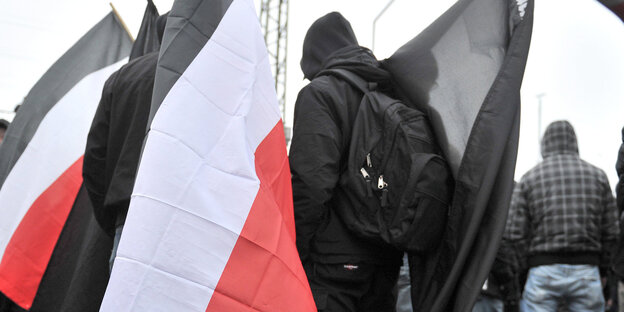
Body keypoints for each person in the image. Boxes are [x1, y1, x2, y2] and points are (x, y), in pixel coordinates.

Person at [289, 12, 403, 311]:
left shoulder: (322, 93)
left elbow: (311, 181)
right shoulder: (389, 94)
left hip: (332, 264)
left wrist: (294, 252)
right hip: (385, 259)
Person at [506, 120, 619, 312]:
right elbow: (611, 232)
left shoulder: (530, 178)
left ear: (544, 144)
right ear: (574, 142)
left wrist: (526, 268)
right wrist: (602, 268)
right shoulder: (598, 176)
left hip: (542, 270)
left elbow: (514, 233)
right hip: (586, 268)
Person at [83, 14, 167, 271]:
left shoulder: (122, 78)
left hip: (127, 220)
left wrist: (113, 219)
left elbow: (95, 159)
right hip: (186, 221)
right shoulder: (205, 74)